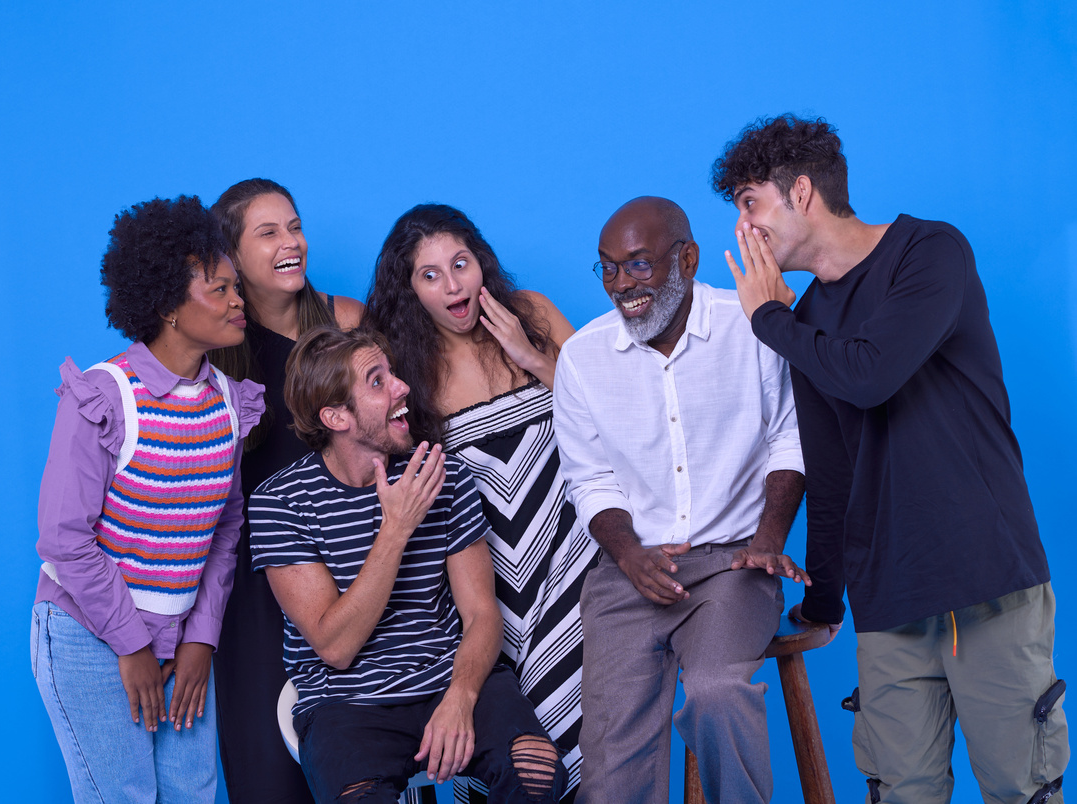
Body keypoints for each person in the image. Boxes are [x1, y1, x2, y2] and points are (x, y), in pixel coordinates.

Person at [716, 114, 1067, 804]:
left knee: (1019, 787)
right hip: (889, 602)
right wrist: (822, 599)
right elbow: (832, 469)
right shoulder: (805, 320)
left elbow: (873, 372)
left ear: (803, 192)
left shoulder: (929, 252)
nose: (742, 232)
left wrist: (768, 320)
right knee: (899, 791)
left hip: (983, 577)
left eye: (751, 205)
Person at [552, 196, 808, 804]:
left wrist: (768, 541)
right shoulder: (583, 359)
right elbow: (591, 480)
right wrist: (629, 555)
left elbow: (790, 439)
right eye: (608, 268)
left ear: (687, 259)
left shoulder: (751, 326)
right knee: (613, 757)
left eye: (638, 264)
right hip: (630, 572)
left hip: (732, 565)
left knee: (719, 695)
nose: (621, 285)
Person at [247, 326, 568, 803]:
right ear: (336, 416)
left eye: (391, 372)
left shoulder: (443, 473)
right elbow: (335, 646)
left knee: (538, 777)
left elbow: (482, 614)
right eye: (377, 381)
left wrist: (460, 699)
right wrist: (395, 528)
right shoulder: (280, 502)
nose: (402, 387)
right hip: (346, 704)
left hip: (448, 677)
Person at [32, 195, 265, 803]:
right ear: (168, 307)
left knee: (193, 794)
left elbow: (224, 532)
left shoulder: (227, 404)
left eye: (236, 286)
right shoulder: (105, 398)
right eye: (220, 290)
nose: (239, 301)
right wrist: (131, 644)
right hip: (89, 634)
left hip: (179, 641)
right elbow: (64, 538)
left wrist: (199, 641)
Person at [362, 204, 598, 802]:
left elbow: (608, 421)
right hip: (489, 591)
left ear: (480, 262)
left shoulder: (535, 314)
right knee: (527, 761)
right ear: (409, 288)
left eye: (460, 264)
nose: (453, 283)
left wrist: (533, 358)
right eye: (430, 274)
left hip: (583, 566)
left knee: (606, 739)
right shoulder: (403, 369)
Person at [206, 178, 363, 804]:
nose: (290, 242)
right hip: (255, 591)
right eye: (267, 232)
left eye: (294, 227)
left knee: (362, 766)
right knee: (270, 776)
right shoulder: (215, 352)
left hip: (356, 569)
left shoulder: (348, 320)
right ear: (233, 255)